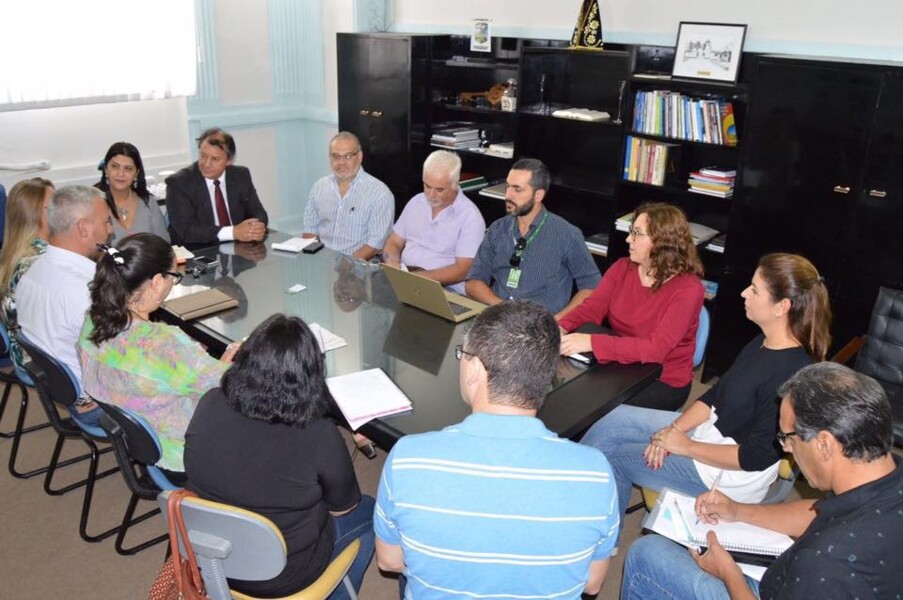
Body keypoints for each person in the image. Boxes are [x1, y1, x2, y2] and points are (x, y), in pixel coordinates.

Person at [581, 252, 830, 545]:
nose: (743, 293)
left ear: (782, 307)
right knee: (613, 419)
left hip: (724, 476)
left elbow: (756, 456)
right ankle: (575, 497)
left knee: (614, 458)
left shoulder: (788, 374)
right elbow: (714, 395)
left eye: (754, 289)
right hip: (707, 437)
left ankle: (598, 545)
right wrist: (674, 431)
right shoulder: (763, 341)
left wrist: (685, 446)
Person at [374, 300, 619, 599]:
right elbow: (592, 584)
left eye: (462, 354)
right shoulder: (595, 474)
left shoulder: (406, 460)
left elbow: (389, 560)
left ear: (475, 369)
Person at [621, 362, 903, 599]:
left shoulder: (825, 563)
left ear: (824, 444)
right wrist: (739, 511)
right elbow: (820, 512)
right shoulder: (879, 477)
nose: (786, 449)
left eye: (788, 438)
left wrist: (730, 575)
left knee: (648, 553)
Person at [185, 314, 374, 599]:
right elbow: (341, 509)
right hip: (283, 575)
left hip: (212, 557)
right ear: (311, 374)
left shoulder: (210, 401)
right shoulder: (319, 432)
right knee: (370, 511)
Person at [78, 233, 238, 475]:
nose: (173, 284)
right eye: (173, 277)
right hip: (187, 452)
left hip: (145, 440)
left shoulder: (92, 321)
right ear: (155, 281)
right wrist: (227, 363)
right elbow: (227, 388)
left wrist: (190, 356)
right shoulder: (166, 345)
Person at [559, 202, 705, 410]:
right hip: (621, 363)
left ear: (662, 241)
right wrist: (561, 327)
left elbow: (655, 349)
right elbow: (592, 308)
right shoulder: (622, 268)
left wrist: (592, 342)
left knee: (585, 406)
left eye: (637, 233)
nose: (628, 239)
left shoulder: (688, 289)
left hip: (662, 379)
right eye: (630, 232)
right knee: (564, 389)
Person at [17, 185, 113, 426]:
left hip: (67, 392)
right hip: (96, 405)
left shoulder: (31, 273)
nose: (110, 231)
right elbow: (125, 363)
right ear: (83, 227)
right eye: (106, 222)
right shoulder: (88, 291)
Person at [465, 158, 600, 317]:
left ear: (539, 195)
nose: (508, 195)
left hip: (538, 327)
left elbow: (592, 288)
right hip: (497, 318)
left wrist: (558, 322)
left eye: (517, 189)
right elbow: (473, 283)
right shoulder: (498, 229)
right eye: (508, 186)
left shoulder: (567, 235)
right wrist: (502, 307)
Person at [381, 150, 485, 294]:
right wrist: (392, 264)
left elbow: (463, 270)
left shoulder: (470, 217)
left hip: (444, 288)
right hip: (405, 277)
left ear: (455, 184)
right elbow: (394, 242)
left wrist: (417, 278)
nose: (430, 194)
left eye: (439, 189)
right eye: (427, 186)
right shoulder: (416, 202)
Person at [165, 127, 269, 246]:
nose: (206, 164)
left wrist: (255, 228)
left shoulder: (241, 175)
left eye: (215, 159)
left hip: (239, 248)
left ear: (229, 161)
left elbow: (259, 213)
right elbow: (187, 231)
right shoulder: (179, 183)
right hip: (198, 250)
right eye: (203, 156)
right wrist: (233, 232)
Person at [302, 131, 394, 260]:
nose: (341, 163)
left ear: (360, 157)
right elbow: (310, 230)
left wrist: (346, 266)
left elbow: (375, 245)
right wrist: (315, 260)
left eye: (348, 156)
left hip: (359, 268)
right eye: (336, 156)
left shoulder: (380, 194)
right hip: (323, 262)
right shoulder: (319, 187)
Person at [0, 177, 54, 368]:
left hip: (23, 353)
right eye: (53, 205)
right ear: (34, 214)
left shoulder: (12, 253)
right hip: (39, 360)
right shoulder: (39, 262)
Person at [94, 141, 170, 244]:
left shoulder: (147, 201)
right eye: (115, 166)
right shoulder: (93, 203)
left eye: (128, 168)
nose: (121, 173)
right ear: (106, 169)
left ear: (136, 173)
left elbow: (164, 243)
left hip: (149, 260)